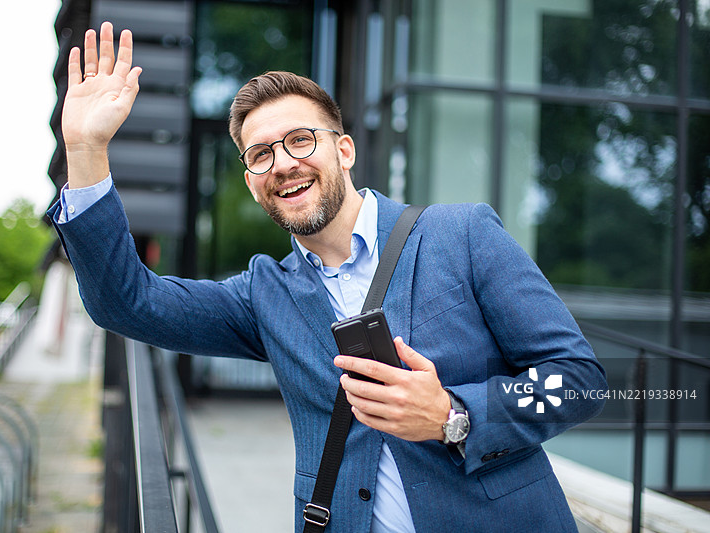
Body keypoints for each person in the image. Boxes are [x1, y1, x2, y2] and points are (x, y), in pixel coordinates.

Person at [49, 22, 607, 533]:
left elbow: (579, 382)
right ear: (251, 182)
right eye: (261, 154)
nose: (284, 163)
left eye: (299, 140)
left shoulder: (460, 234)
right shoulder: (264, 296)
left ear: (343, 150)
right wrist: (86, 149)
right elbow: (126, 303)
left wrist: (453, 417)